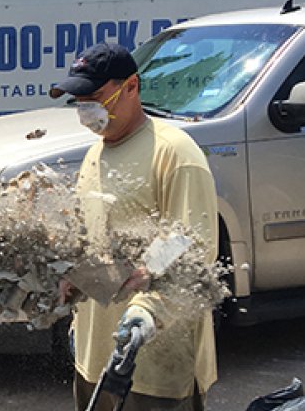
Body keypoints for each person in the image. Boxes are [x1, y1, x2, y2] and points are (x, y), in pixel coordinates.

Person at [50, 43, 219, 411]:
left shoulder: (174, 152)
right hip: (96, 357)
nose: (85, 109)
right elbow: (97, 240)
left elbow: (190, 244)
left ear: (131, 87)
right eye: (78, 101)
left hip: (155, 364)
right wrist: (75, 278)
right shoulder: (96, 153)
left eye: (93, 97)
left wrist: (148, 310)